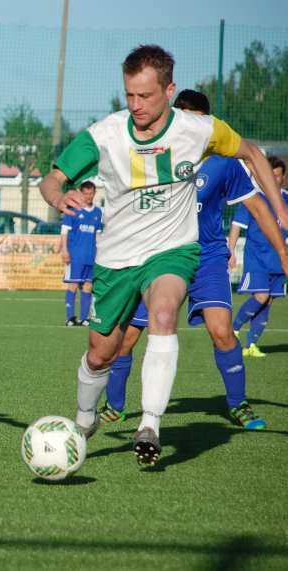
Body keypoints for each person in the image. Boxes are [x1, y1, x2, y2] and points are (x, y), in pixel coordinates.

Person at [39, 45, 288, 466]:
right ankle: (84, 420)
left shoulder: (200, 130)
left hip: (174, 250)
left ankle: (150, 425)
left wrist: (281, 210)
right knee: (102, 351)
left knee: (165, 312)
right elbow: (52, 178)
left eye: (145, 96)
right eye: (129, 95)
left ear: (169, 90)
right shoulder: (105, 134)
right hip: (117, 260)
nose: (135, 105)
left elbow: (250, 152)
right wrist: (56, 196)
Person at [99, 89, 288, 431]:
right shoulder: (155, 154)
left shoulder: (225, 163)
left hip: (207, 257)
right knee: (125, 339)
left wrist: (284, 254)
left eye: (196, 119)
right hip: (157, 257)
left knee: (222, 331)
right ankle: (114, 405)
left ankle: (237, 404)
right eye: (182, 116)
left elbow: (258, 208)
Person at [228, 155, 288, 357]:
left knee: (268, 301)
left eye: (278, 176)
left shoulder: (286, 200)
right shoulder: (254, 198)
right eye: (270, 174)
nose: (274, 179)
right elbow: (237, 226)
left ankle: (251, 345)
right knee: (261, 296)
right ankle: (233, 328)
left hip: (279, 262)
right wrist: (231, 251)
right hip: (257, 259)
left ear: (283, 177)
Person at [60, 180, 102, 326]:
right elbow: (64, 231)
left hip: (91, 256)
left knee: (88, 286)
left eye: (91, 193)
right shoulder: (73, 210)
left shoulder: (98, 212)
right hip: (75, 256)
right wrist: (64, 250)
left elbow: (98, 235)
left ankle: (84, 318)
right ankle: (70, 317)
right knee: (72, 284)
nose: (88, 196)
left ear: (94, 193)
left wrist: (100, 253)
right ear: (80, 193)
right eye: (85, 193)